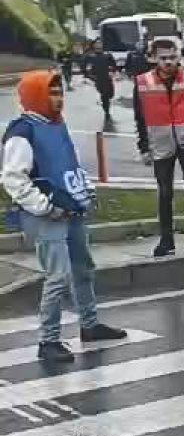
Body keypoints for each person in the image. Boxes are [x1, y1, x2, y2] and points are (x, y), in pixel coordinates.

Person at [1, 71, 128, 362]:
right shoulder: (23, 131)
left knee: (84, 268)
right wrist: (44, 206)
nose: (58, 99)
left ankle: (89, 324)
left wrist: (86, 190)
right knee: (57, 276)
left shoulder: (56, 124)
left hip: (70, 208)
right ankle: (48, 341)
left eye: (60, 93)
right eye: (51, 94)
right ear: (35, 96)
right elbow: (13, 179)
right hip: (46, 215)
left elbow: (70, 163)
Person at [132, 39, 184, 257]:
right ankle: (166, 241)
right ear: (154, 59)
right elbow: (139, 117)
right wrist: (144, 146)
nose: (168, 62)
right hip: (160, 143)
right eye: (163, 58)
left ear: (179, 56)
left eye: (172, 57)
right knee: (165, 193)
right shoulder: (143, 82)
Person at [83, 40, 117, 129]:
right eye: (97, 44)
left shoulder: (107, 55)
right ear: (94, 46)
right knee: (105, 96)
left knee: (110, 95)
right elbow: (83, 66)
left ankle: (106, 107)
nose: (99, 45)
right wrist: (90, 76)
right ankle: (107, 112)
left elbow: (114, 65)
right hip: (99, 80)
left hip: (108, 78)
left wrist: (113, 71)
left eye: (100, 43)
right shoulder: (90, 56)